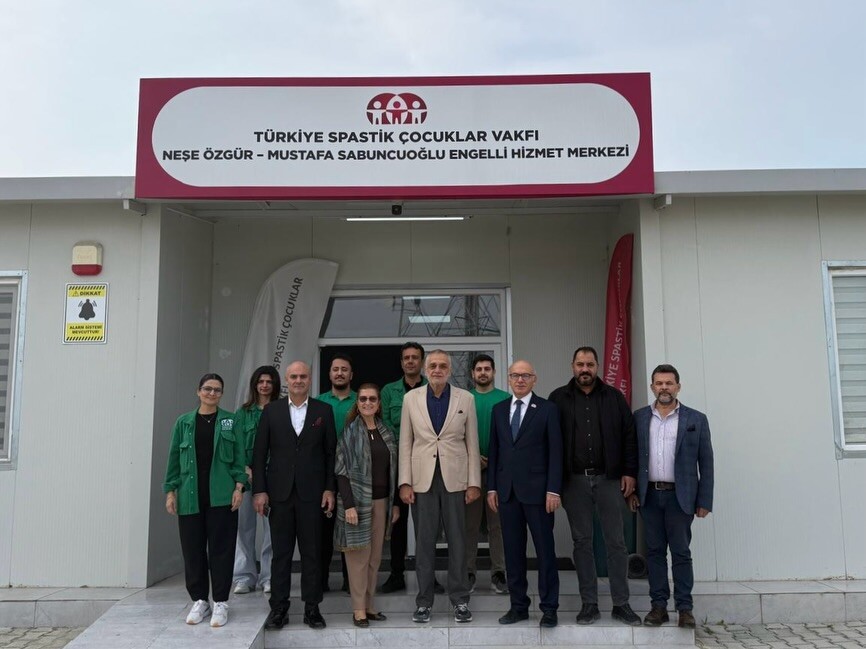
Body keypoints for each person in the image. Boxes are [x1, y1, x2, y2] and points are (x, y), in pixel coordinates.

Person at [548, 346, 641, 626]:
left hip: (609, 480)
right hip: (574, 482)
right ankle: (589, 604)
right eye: (580, 364)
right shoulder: (558, 398)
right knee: (582, 543)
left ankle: (621, 604)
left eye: (589, 364)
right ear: (572, 366)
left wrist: (629, 472)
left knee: (616, 542)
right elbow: (550, 441)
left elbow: (629, 437)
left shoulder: (614, 397)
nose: (585, 369)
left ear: (597, 366)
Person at [253, 361, 337, 630]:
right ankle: (279, 609)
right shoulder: (271, 411)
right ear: (286, 380)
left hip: (313, 494)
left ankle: (312, 608)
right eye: (294, 376)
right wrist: (260, 491)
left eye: (303, 376)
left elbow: (330, 454)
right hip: (279, 494)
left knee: (312, 553)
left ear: (310, 379)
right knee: (281, 554)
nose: (298, 380)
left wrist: (329, 488)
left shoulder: (324, 411)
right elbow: (259, 453)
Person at [399, 349, 481, 624]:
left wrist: (473, 483)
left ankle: (460, 600)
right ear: (425, 369)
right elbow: (405, 442)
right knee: (424, 543)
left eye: (442, 366)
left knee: (458, 540)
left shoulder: (465, 398)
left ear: (450, 370)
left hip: (455, 480)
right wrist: (405, 482)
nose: (437, 370)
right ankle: (424, 602)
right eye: (432, 365)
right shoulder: (411, 399)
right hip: (421, 480)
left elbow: (472, 443)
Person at [630, 364, 714, 629]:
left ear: (678, 386)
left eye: (669, 383)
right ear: (652, 387)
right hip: (650, 497)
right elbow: (632, 457)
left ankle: (685, 609)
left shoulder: (696, 419)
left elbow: (706, 462)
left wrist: (704, 500)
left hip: (681, 497)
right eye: (659, 383)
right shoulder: (639, 418)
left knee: (680, 553)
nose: (664, 387)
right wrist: (632, 492)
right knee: (655, 553)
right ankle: (658, 607)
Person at [163, 373, 246, 628]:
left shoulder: (230, 421)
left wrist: (239, 487)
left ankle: (220, 602)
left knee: (222, 550)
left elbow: (239, 457)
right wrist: (170, 491)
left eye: (217, 390)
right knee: (193, 551)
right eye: (207, 389)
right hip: (190, 496)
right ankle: (200, 600)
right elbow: (174, 458)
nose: (212, 393)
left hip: (221, 496)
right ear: (198, 391)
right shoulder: (184, 422)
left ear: (222, 394)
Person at [488, 361, 562, 628]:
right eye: (515, 375)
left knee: (545, 552)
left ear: (534, 379)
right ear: (508, 379)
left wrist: (553, 489)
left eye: (525, 375)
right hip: (507, 493)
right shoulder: (499, 410)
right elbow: (495, 451)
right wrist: (492, 487)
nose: (520, 380)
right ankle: (518, 606)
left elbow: (556, 452)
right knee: (513, 553)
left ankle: (549, 608)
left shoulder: (547, 409)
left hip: (539, 494)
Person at [334, 384, 400, 627]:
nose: (368, 403)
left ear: (379, 403)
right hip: (357, 504)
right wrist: (349, 505)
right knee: (358, 559)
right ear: (358, 403)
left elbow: (394, 470)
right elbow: (341, 471)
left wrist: (394, 504)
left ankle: (370, 605)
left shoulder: (386, 431)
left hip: (382, 502)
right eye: (363, 399)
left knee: (374, 558)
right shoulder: (349, 432)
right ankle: (358, 609)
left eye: (372, 399)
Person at [378, 342, 427, 593]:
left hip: (427, 463)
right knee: (397, 521)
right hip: (397, 463)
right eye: (406, 357)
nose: (410, 361)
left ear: (422, 362)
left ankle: (428, 575)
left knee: (426, 522)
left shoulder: (432, 388)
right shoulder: (389, 391)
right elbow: (385, 426)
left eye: (415, 357)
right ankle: (396, 574)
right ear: (401, 362)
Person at [232, 366, 281, 595]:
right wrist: (246, 470)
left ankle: (269, 577)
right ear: (254, 384)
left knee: (272, 530)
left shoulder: (281, 410)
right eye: (260, 381)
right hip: (247, 478)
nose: (264, 385)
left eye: (269, 381)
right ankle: (244, 577)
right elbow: (237, 444)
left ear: (275, 385)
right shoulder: (243, 413)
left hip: (273, 477)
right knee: (244, 528)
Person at [466, 354, 510, 594]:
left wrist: (493, 460)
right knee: (469, 526)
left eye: (487, 369)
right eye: (479, 369)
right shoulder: (464, 399)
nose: (483, 372)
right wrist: (474, 459)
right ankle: (468, 572)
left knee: (498, 526)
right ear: (472, 374)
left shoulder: (505, 399)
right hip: (469, 473)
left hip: (498, 472)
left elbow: (512, 436)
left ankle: (499, 573)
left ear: (493, 372)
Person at [317, 353, 357, 592]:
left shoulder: (360, 401)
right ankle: (321, 580)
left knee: (350, 529)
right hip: (324, 473)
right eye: (335, 369)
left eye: (344, 369)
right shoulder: (318, 403)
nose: (340, 373)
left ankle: (350, 581)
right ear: (329, 374)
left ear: (351, 375)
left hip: (353, 473)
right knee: (322, 530)